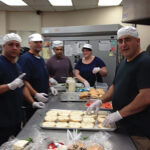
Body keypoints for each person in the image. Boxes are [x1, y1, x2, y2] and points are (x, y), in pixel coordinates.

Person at [87, 26, 150, 150]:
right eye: (120, 41)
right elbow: (115, 86)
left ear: (138, 41)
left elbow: (146, 97)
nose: (123, 44)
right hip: (122, 127)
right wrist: (101, 100)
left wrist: (119, 114)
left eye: (127, 40)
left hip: (138, 132)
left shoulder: (145, 62)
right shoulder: (123, 62)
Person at [0, 33, 44, 145]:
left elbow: (22, 86)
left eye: (17, 45)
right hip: (2, 119)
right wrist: (9, 86)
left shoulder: (17, 66)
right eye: (11, 44)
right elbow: (14, 85)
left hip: (16, 117)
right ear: (3, 46)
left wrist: (33, 102)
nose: (14, 48)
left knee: (15, 145)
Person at [18, 33, 57, 122]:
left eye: (40, 42)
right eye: (36, 42)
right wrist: (36, 94)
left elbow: (44, 75)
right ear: (30, 43)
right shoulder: (25, 59)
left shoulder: (40, 58)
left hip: (43, 99)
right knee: (31, 125)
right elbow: (24, 80)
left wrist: (50, 86)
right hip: (32, 102)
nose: (39, 44)